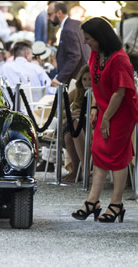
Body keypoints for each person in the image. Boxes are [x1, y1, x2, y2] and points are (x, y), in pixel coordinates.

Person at [72, 17, 138, 223]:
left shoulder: (119, 59)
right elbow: (94, 81)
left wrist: (107, 118)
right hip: (104, 109)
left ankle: (116, 203)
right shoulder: (96, 54)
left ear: (100, 38)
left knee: (116, 155)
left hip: (121, 112)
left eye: (88, 38)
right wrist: (94, 107)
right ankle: (94, 201)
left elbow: (120, 92)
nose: (85, 42)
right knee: (99, 151)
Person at [47, 2, 90, 87]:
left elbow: (74, 56)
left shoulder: (68, 29)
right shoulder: (74, 25)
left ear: (59, 13)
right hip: (81, 76)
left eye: (49, 14)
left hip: (75, 79)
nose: (48, 18)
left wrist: (60, 78)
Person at [62, 64, 90, 183]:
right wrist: (71, 113)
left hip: (91, 125)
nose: (87, 83)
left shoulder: (100, 92)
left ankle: (80, 169)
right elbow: (59, 110)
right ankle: (82, 169)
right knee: (74, 125)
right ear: (80, 80)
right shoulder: (77, 91)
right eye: (84, 79)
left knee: (69, 135)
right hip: (76, 124)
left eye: (90, 79)